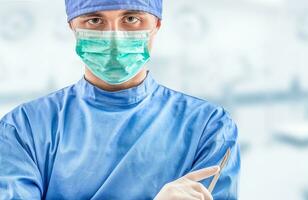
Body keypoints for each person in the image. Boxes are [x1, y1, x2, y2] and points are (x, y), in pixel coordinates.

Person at [0, 0, 240, 199]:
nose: (114, 37)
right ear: (72, 26)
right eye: (95, 20)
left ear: (156, 25)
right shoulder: (24, 129)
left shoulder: (208, 127)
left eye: (131, 19)